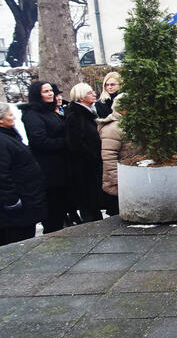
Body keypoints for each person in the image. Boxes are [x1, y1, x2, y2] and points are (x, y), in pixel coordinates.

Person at [20, 81, 68, 233]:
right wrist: (65, 142)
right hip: (49, 170)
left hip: (60, 168)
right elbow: (40, 141)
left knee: (60, 208)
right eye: (45, 91)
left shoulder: (50, 111)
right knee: (53, 211)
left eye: (50, 90)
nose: (50, 93)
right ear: (37, 95)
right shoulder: (32, 115)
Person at [0, 102, 45, 245]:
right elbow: (2, 174)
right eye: (10, 115)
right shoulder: (2, 140)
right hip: (16, 208)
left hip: (26, 198)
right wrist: (12, 201)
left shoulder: (9, 135)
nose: (13, 118)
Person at [64, 83, 103, 222]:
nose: (94, 94)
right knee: (88, 203)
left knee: (93, 202)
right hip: (84, 168)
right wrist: (93, 155)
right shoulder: (76, 116)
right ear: (81, 97)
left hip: (90, 166)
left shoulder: (88, 113)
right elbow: (75, 143)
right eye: (89, 93)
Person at [98, 93, 139, 216]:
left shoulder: (130, 125)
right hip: (119, 184)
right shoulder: (112, 129)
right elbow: (109, 159)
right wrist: (118, 182)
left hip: (132, 178)